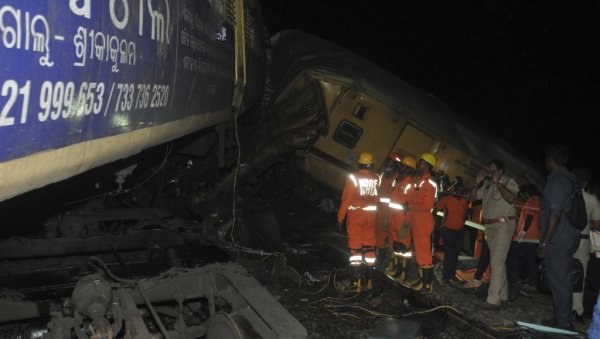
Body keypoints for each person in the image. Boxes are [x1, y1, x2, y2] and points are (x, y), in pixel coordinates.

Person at [537, 146, 581, 331]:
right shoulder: (570, 181)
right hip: (567, 236)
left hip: (558, 239)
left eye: (547, 160)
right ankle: (560, 318)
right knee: (558, 280)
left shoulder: (557, 181)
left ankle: (564, 324)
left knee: (560, 282)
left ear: (552, 161)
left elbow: (554, 215)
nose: (545, 164)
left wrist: (544, 242)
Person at [471, 159, 518, 310]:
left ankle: (493, 300)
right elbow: (473, 199)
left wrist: (499, 183)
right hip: (490, 226)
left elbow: (511, 198)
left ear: (501, 171)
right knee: (498, 260)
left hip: (504, 225)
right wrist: (477, 183)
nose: (490, 174)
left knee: (496, 261)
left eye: (493, 171)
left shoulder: (510, 182)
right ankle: (503, 295)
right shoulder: (487, 185)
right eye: (488, 171)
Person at [337, 152, 380, 292]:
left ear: (359, 164)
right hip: (371, 217)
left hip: (356, 216)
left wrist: (340, 218)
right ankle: (369, 282)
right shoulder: (376, 178)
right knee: (369, 249)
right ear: (371, 164)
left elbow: (346, 200)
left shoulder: (354, 178)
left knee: (355, 250)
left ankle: (355, 284)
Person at [571, 168, 600, 324]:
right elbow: (597, 223)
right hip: (582, 240)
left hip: (564, 239)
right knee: (579, 276)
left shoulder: (567, 194)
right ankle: (577, 310)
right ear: (586, 183)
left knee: (562, 273)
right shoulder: (592, 199)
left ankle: (562, 307)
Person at [406, 152, 438, 293]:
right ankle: (422, 281)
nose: (418, 164)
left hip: (423, 221)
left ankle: (427, 285)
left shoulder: (429, 183)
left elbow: (427, 205)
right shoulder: (421, 180)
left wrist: (410, 207)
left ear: (427, 165)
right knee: (419, 253)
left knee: (424, 254)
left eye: (420, 162)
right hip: (418, 220)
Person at [506, 184, 541, 300]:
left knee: (516, 256)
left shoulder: (532, 200)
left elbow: (530, 217)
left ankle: (517, 280)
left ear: (528, 193)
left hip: (528, 237)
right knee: (531, 260)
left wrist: (523, 232)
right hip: (533, 236)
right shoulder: (538, 200)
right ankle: (530, 282)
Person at [386, 155, 417, 282]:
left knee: (404, 249)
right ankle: (397, 270)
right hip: (394, 217)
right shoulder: (398, 180)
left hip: (402, 220)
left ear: (409, 169)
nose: (401, 167)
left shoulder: (409, 185)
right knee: (397, 246)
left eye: (404, 166)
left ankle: (404, 273)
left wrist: (406, 224)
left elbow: (410, 207)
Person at [436, 183, 470, 284]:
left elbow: (465, 213)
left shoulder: (464, 201)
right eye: (458, 190)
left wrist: (462, 223)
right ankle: (446, 276)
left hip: (459, 231)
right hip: (448, 230)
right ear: (454, 190)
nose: (460, 192)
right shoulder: (447, 199)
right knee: (449, 253)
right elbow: (435, 211)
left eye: (462, 190)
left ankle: (452, 274)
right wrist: (439, 226)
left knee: (455, 254)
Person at [375, 153, 402, 269]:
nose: (388, 164)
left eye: (391, 162)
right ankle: (379, 259)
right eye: (388, 161)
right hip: (379, 211)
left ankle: (390, 263)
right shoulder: (383, 175)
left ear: (395, 165)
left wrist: (388, 216)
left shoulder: (397, 179)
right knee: (377, 236)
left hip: (389, 214)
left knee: (390, 238)